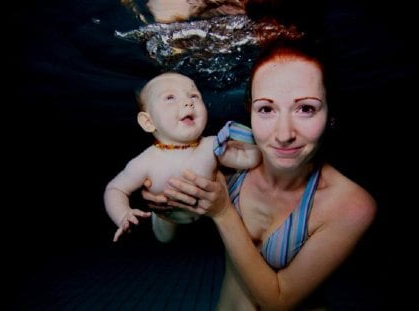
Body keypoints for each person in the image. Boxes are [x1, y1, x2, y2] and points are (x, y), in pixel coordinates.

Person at [143, 39, 377, 310]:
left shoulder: (350, 205)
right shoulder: (230, 159)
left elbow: (279, 301)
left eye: (306, 109)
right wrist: (164, 206)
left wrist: (222, 211)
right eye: (266, 109)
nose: (284, 134)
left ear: (331, 115)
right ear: (250, 111)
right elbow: (165, 236)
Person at [104, 72, 261, 243]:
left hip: (209, 216)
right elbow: (115, 189)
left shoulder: (211, 145)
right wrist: (123, 214)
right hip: (169, 216)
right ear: (148, 122)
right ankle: (161, 220)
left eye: (194, 95)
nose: (188, 102)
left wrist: (247, 138)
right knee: (165, 239)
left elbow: (250, 160)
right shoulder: (145, 162)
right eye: (170, 97)